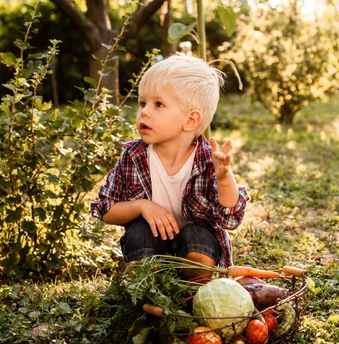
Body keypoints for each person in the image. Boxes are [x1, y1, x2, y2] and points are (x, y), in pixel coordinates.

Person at [90, 53, 250, 279]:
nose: (144, 111)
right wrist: (142, 206)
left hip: (197, 254)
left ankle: (194, 291)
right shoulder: (133, 157)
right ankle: (149, 288)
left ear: (190, 120)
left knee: (198, 235)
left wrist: (224, 179)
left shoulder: (206, 161)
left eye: (158, 104)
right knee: (139, 232)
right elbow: (106, 209)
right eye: (142, 103)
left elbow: (230, 218)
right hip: (152, 250)